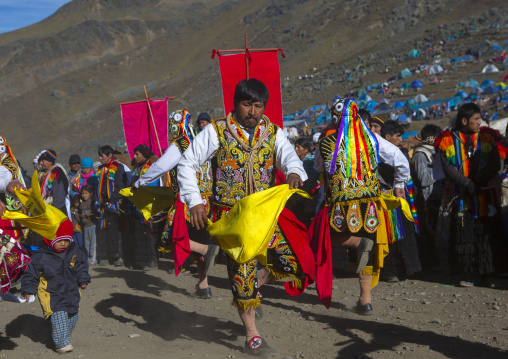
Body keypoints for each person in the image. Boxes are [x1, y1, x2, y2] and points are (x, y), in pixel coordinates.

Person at [178, 79, 309, 355]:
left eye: (258, 105)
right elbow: (187, 163)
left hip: (265, 215)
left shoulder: (273, 132)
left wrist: (294, 171)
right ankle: (252, 336)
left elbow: (288, 157)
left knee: (294, 263)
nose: (252, 111)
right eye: (247, 104)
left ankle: (258, 280)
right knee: (241, 274)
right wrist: (194, 201)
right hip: (233, 219)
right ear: (236, 104)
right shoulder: (216, 131)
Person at [312, 98, 409, 316]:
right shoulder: (372, 140)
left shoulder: (326, 142)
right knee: (370, 244)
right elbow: (400, 161)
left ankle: (356, 242)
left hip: (339, 203)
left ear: (335, 119)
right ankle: (365, 301)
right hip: (368, 203)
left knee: (323, 236)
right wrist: (400, 184)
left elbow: (318, 166)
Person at [133, 110, 219, 297]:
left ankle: (207, 249)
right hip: (207, 201)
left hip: (188, 201)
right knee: (198, 240)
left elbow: (161, 166)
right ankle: (204, 286)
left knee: (172, 237)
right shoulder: (203, 140)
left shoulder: (182, 143)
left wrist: (141, 181)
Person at [435, 103, 506, 287]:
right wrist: (467, 183)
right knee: (465, 235)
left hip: (486, 195)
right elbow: (447, 167)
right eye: (476, 119)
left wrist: (478, 181)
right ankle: (470, 274)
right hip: (462, 197)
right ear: (464, 121)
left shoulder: (487, 136)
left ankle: (491, 273)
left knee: (488, 234)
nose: (479, 122)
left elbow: (494, 163)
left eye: (479, 118)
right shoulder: (447, 139)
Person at [21, 219, 90, 354]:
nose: (63, 244)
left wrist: (83, 279)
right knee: (59, 315)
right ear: (50, 239)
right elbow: (31, 274)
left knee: (73, 316)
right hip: (51, 293)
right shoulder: (41, 256)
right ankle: (61, 344)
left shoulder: (73, 251)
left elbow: (81, 266)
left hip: (71, 292)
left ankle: (63, 338)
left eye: (66, 240)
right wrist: (29, 290)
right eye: (59, 240)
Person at [379, 120, 421, 283]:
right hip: (386, 199)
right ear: (387, 137)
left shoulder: (399, 153)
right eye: (397, 136)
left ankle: (409, 269)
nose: (401, 139)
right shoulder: (381, 156)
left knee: (405, 233)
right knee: (390, 234)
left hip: (400, 198)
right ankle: (390, 271)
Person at [411, 124, 443, 270]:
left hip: (437, 194)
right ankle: (429, 262)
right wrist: (442, 173)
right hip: (428, 197)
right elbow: (423, 179)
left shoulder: (435, 151)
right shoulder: (420, 154)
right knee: (429, 230)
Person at [94, 145, 128, 266]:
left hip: (115, 204)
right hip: (103, 205)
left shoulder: (118, 168)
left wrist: (112, 201)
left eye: (102, 156)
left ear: (110, 156)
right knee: (103, 230)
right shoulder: (100, 169)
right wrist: (97, 201)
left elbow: (120, 187)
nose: (100, 158)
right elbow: (98, 186)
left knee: (115, 231)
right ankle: (104, 255)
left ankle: (117, 256)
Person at [129, 144, 159, 270]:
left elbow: (152, 186)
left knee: (147, 233)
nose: (135, 157)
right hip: (136, 205)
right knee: (138, 234)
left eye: (137, 154)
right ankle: (140, 260)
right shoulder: (137, 169)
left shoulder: (150, 168)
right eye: (134, 154)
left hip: (146, 205)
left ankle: (150, 260)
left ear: (144, 155)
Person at [38, 150, 70, 217]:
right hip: (47, 210)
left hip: (56, 212)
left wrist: (54, 212)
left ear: (50, 162)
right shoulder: (43, 174)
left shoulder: (56, 174)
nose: (41, 163)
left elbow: (59, 196)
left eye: (43, 161)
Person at [79, 184, 97, 265]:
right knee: (86, 244)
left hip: (92, 225)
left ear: (91, 193)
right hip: (85, 227)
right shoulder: (81, 204)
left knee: (92, 243)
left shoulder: (92, 202)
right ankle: (89, 258)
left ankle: (93, 259)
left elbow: (94, 212)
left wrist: (86, 213)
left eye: (86, 193)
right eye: (83, 193)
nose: (84, 195)